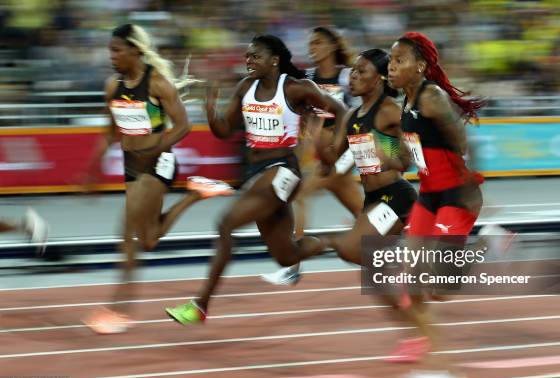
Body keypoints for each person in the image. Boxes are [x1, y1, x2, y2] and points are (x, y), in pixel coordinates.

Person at [165, 35, 347, 324]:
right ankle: (338, 241)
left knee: (225, 224)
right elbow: (225, 130)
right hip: (257, 173)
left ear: (274, 60)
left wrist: (333, 152)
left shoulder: (296, 87)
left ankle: (199, 306)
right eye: (246, 57)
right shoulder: (245, 88)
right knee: (287, 256)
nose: (248, 61)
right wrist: (211, 109)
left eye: (255, 56)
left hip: (284, 170)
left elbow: (341, 111)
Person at [82, 24, 232, 334]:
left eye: (117, 50)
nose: (111, 56)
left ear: (135, 50)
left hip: (158, 163)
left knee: (126, 236)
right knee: (148, 239)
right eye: (110, 50)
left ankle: (119, 310)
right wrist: (93, 167)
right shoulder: (113, 86)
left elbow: (183, 126)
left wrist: (156, 148)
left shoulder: (158, 83)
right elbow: (110, 130)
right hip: (131, 165)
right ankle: (195, 194)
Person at [386, 31, 486, 378]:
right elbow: (401, 156)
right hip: (429, 196)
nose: (391, 66)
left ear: (421, 66)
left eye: (399, 60)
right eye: (391, 60)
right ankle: (440, 366)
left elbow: (461, 139)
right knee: (410, 284)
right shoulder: (406, 100)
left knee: (440, 287)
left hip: (456, 196)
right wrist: (366, 144)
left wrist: (468, 182)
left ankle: (486, 243)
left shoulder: (431, 96)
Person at [261, 26, 363, 285]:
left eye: (317, 43)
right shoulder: (307, 77)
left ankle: (292, 266)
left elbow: (361, 114)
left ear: (331, 47)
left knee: (299, 195)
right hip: (319, 154)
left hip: (344, 153)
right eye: (310, 43)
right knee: (364, 212)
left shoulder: (346, 78)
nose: (312, 47)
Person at [316, 48, 416, 265]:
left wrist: (384, 152)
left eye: (361, 72)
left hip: (395, 198)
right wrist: (316, 126)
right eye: (353, 71)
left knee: (350, 250)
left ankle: (410, 256)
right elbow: (330, 160)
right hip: (372, 199)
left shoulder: (389, 110)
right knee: (373, 271)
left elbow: (406, 161)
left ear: (379, 80)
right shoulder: (351, 116)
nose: (353, 76)